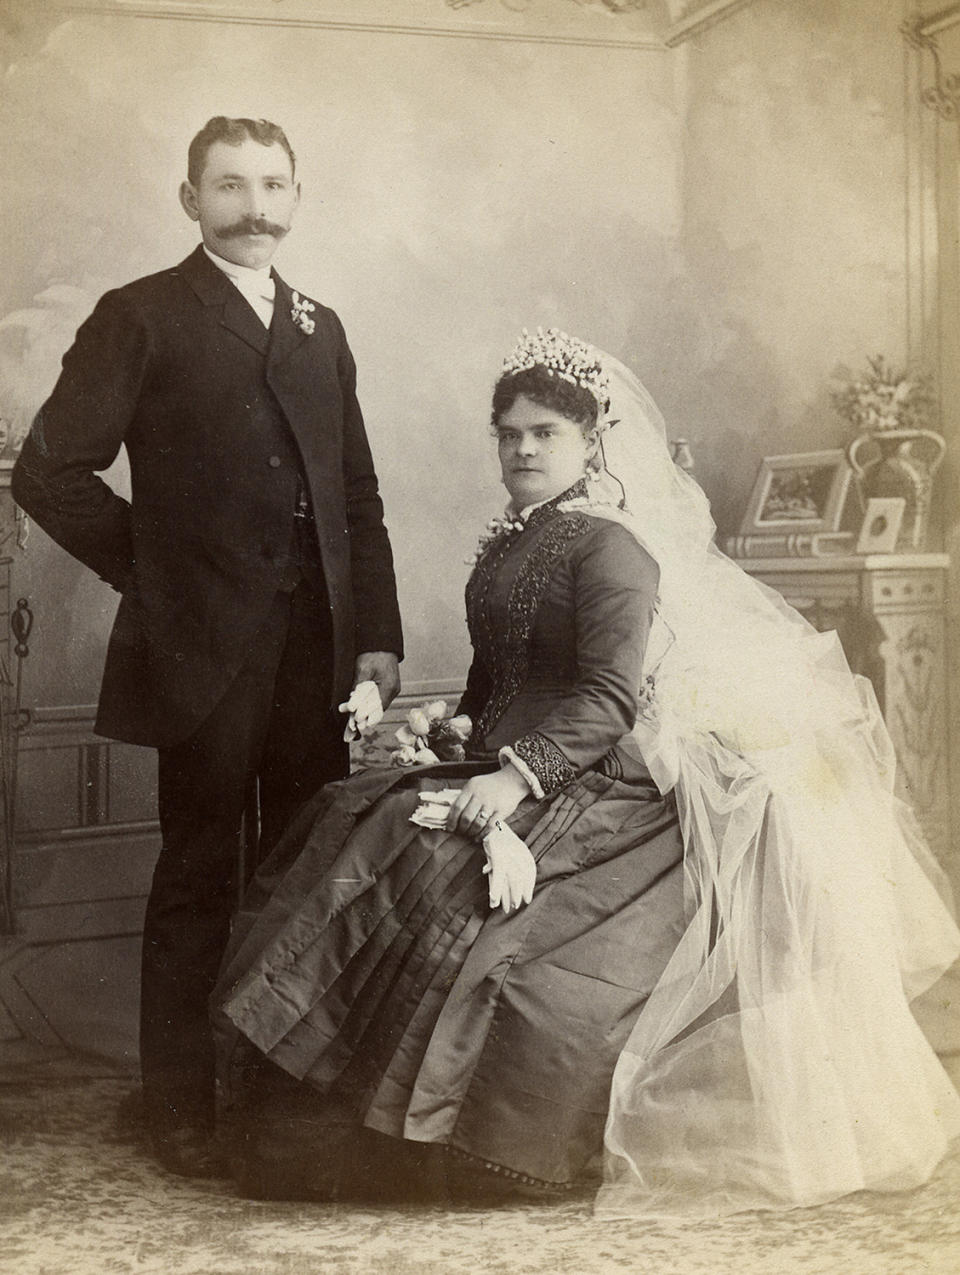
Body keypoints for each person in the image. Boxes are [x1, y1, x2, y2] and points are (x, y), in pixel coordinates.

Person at [213, 328, 960, 1216]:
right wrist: (447, 733)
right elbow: (496, 690)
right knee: (358, 820)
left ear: (591, 443)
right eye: (509, 434)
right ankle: (336, 1124)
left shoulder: (612, 548)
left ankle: (443, 1141)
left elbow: (607, 696)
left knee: (461, 900)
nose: (523, 450)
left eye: (545, 434)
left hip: (595, 782)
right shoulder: (505, 545)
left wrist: (515, 778)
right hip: (512, 762)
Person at [11, 117, 403, 1179]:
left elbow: (357, 497)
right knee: (197, 871)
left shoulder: (322, 327)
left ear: (297, 195)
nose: (255, 207)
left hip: (315, 651)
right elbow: (45, 472)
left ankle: (280, 1094)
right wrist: (158, 570)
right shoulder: (140, 315)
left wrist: (377, 640)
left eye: (274, 185)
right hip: (200, 649)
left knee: (301, 873)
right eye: (230, 186)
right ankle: (178, 1104)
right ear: (190, 199)